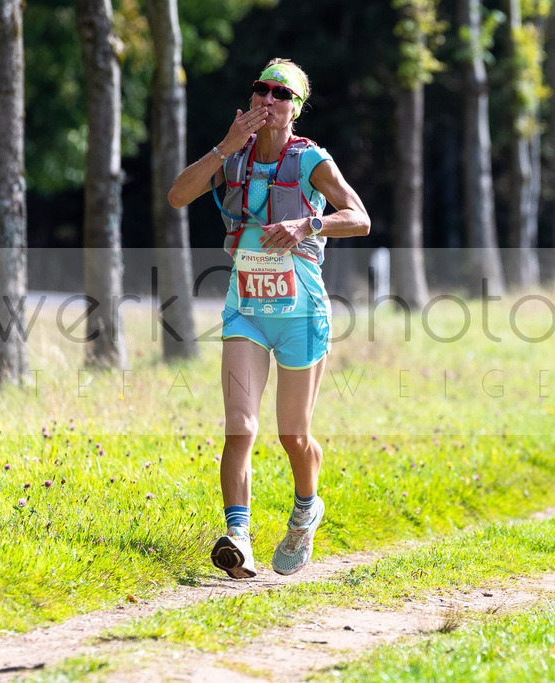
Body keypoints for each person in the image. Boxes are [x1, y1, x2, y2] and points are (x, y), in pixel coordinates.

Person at [168, 59, 371, 578]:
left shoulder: (310, 161)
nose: (267, 99)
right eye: (260, 89)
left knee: (292, 436)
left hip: (301, 311)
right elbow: (177, 195)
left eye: (281, 94)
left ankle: (306, 509)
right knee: (239, 427)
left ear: (295, 108)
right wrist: (224, 146)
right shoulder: (231, 154)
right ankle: (238, 538)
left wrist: (309, 224)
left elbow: (360, 218)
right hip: (245, 310)